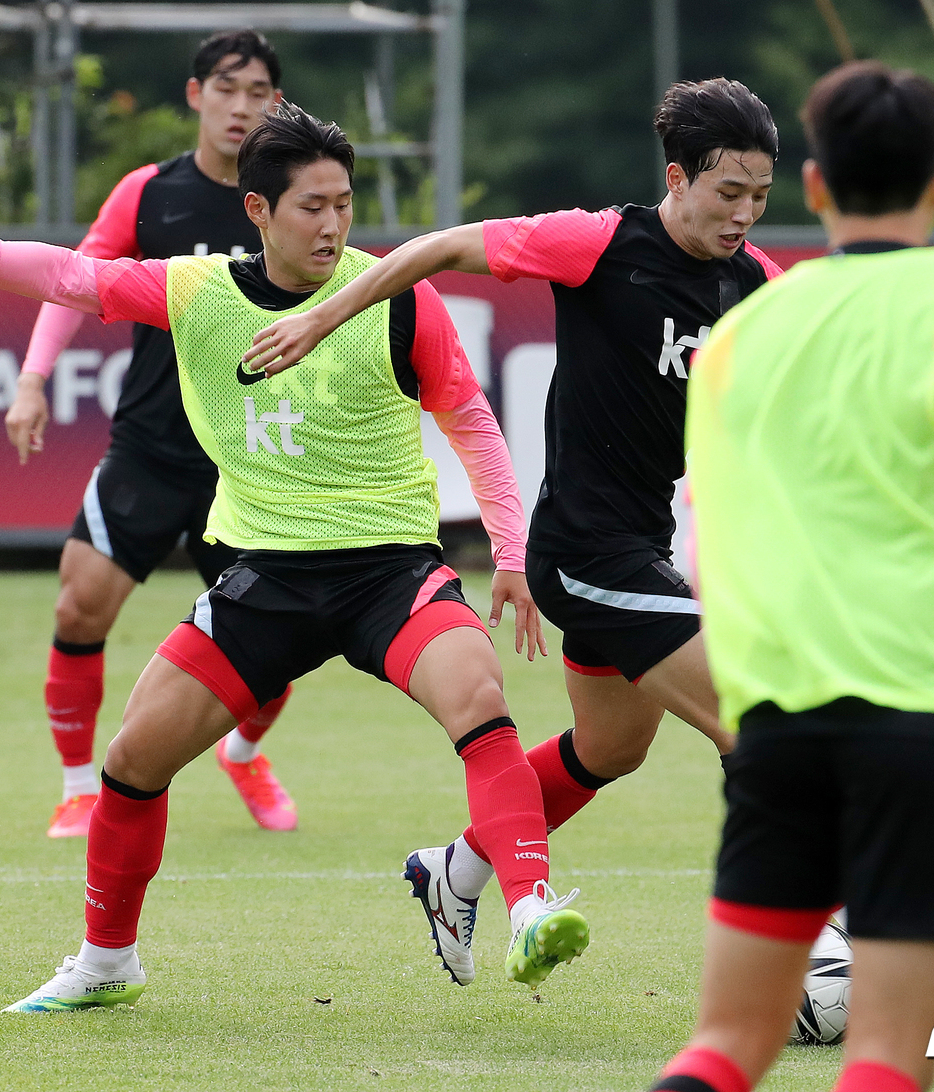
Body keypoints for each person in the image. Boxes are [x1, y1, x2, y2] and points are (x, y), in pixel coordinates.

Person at [0, 102, 587, 1011]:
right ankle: (105, 962)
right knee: (133, 759)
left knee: (480, 698)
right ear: (258, 210)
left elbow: (473, 424)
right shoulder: (197, 292)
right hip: (266, 579)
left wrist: (511, 552)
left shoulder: (398, 294)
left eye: (344, 203)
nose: (332, 225)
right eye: (311, 206)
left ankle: (527, 908)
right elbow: (68, 274)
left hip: (391, 572)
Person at [238, 77, 783, 986]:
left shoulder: (755, 282)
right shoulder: (599, 243)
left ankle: (454, 869)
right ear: (677, 178)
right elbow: (444, 246)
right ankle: (808, 944)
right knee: (756, 725)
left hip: (643, 546)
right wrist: (323, 316)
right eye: (729, 192)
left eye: (760, 196)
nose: (744, 213)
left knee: (611, 750)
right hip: (585, 554)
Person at [650, 62, 934, 1092]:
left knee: (725, 1046)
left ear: (812, 186)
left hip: (779, 721)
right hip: (928, 719)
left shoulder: (748, 327)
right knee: (888, 1058)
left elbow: (706, 529)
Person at [7, 30, 299, 838]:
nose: (242, 106)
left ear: (277, 103)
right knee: (80, 607)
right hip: (151, 448)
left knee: (282, 641)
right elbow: (72, 280)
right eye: (227, 88)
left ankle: (243, 755)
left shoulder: (290, 196)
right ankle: (78, 788)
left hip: (251, 459)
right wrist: (32, 379)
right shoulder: (149, 193)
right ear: (196, 94)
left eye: (259, 92)